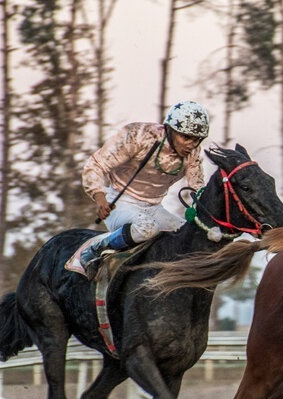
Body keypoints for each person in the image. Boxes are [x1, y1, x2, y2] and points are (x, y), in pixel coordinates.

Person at [78, 100, 210, 279]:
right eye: (185, 137)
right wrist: (100, 198)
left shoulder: (193, 154)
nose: (191, 145)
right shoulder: (138, 136)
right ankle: (96, 249)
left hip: (154, 208)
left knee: (187, 235)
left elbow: (197, 188)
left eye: (196, 140)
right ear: (169, 129)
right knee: (148, 228)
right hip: (120, 204)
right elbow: (96, 164)